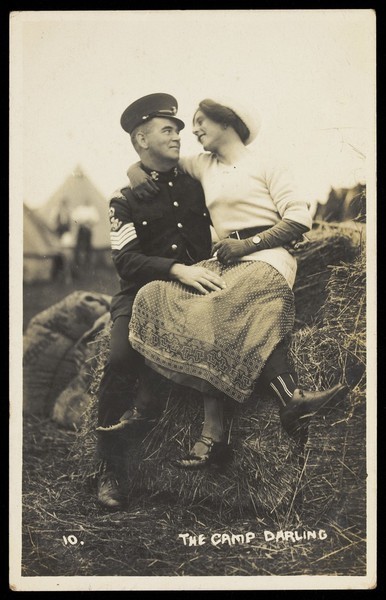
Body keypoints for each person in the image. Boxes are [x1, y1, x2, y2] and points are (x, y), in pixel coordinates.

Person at [126, 96, 348, 468]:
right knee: (156, 294)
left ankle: (217, 433)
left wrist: (250, 244)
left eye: (200, 122)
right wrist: (134, 172)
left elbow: (298, 219)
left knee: (224, 307)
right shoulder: (202, 164)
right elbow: (155, 161)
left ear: (226, 122)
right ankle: (285, 403)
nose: (192, 130)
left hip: (267, 257)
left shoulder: (267, 164)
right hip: (225, 260)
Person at [95, 93, 227, 510]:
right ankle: (109, 470)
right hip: (140, 291)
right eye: (167, 130)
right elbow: (126, 259)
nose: (177, 136)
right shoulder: (123, 199)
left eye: (178, 130)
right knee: (119, 359)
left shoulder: (196, 183)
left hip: (195, 290)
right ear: (140, 138)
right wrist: (175, 269)